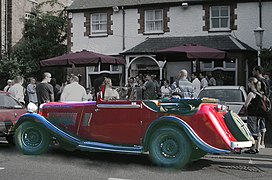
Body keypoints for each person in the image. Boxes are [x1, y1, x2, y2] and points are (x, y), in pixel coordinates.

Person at [252, 66, 270, 148]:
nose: (252, 72)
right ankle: (262, 142)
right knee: (262, 123)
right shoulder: (266, 80)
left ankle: (259, 143)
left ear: (257, 71)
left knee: (258, 123)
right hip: (264, 104)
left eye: (254, 70)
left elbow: (263, 92)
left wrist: (257, 92)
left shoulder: (260, 81)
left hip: (260, 104)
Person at [244, 77, 263, 154]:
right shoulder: (259, 93)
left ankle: (253, 148)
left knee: (252, 131)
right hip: (259, 115)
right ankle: (257, 147)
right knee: (258, 131)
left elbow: (246, 105)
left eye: (249, 83)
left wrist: (248, 105)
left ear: (251, 83)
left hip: (252, 115)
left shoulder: (251, 94)